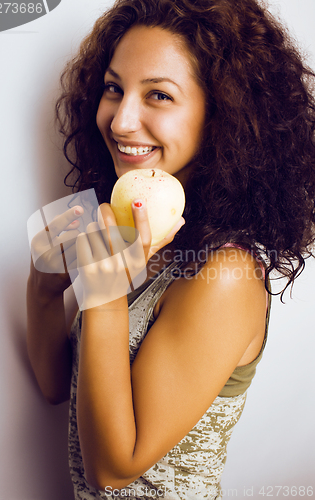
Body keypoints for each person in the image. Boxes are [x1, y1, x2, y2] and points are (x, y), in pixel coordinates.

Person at [26, 0, 315, 498]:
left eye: (158, 94)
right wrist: (44, 287)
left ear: (224, 114)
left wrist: (106, 294)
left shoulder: (226, 272)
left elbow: (113, 469)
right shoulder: (137, 239)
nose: (120, 121)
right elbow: (58, 390)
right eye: (114, 89)